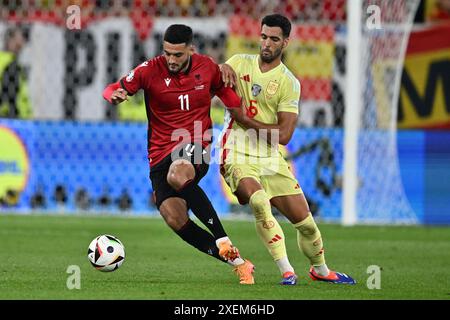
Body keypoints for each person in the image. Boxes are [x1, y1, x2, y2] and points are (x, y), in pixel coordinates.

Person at [102, 24, 254, 284]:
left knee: (178, 172)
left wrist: (242, 115)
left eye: (178, 55)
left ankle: (222, 237)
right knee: (174, 218)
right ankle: (239, 262)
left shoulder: (207, 68)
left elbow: (228, 94)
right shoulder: (149, 70)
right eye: (167, 53)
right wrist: (114, 95)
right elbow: (113, 87)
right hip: (159, 152)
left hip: (196, 142)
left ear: (190, 50)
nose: (171, 60)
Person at [219, 14, 355, 285]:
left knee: (306, 224)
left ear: (286, 42)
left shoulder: (289, 82)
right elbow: (206, 77)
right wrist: (218, 67)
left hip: (270, 157)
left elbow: (283, 135)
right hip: (236, 152)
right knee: (258, 201)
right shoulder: (238, 63)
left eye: (274, 39)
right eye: (264, 37)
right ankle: (287, 270)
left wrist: (245, 119)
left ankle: (321, 269)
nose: (267, 43)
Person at [0, 26, 31, 118]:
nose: (22, 44)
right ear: (9, 40)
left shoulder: (3, 60)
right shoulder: (11, 64)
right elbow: (11, 95)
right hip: (14, 118)